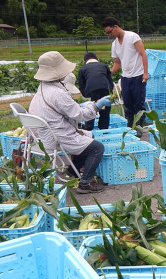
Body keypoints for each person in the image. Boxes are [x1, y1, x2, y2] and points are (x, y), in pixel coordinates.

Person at [28, 51, 113, 194]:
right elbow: (81, 115)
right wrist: (97, 105)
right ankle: (84, 183)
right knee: (97, 148)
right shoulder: (58, 93)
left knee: (88, 137)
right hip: (59, 135)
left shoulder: (44, 86)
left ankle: (72, 170)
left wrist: (83, 105)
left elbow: (68, 109)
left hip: (49, 133)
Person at [102, 16, 148, 137]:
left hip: (138, 75)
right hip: (125, 77)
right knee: (127, 102)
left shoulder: (132, 37)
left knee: (139, 103)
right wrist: (109, 72)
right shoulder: (115, 44)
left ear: (115, 27)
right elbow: (117, 62)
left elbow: (143, 54)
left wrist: (145, 73)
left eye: (109, 32)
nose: (109, 35)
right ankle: (130, 126)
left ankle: (138, 126)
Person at [78, 52, 114, 131]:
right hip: (105, 88)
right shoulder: (104, 65)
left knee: (91, 108)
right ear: (97, 59)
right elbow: (110, 81)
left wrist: (86, 95)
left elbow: (81, 84)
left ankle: (88, 129)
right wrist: (110, 91)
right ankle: (103, 130)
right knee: (105, 110)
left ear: (85, 61)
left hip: (91, 90)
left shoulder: (83, 68)